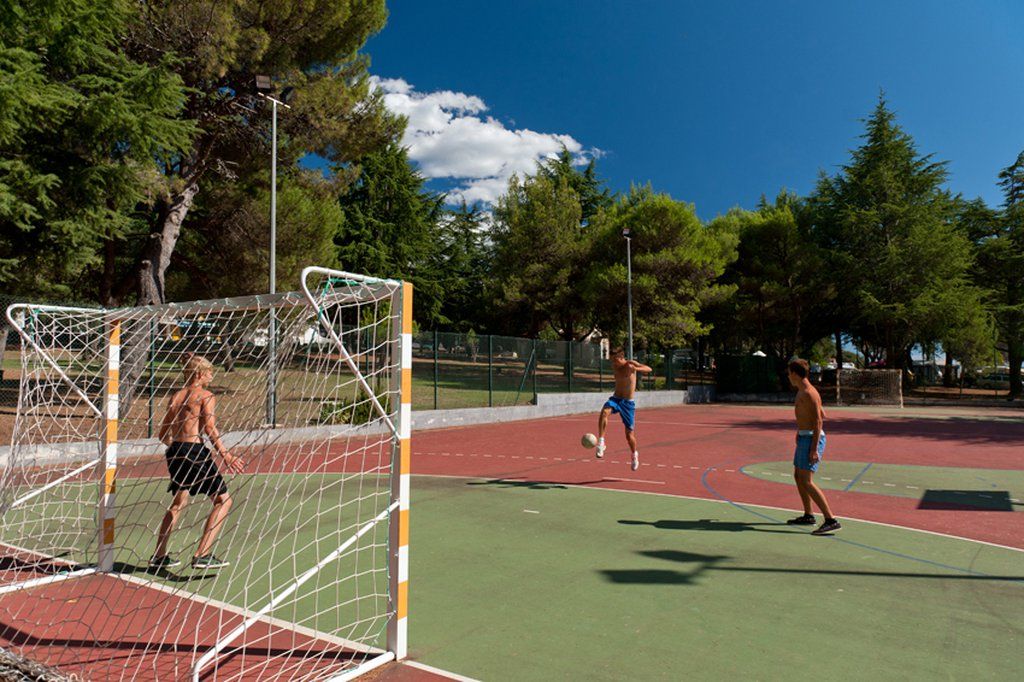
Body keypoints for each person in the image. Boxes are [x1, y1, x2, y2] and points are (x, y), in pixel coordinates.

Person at [149, 355, 244, 570]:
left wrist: (179, 446)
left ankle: (158, 555)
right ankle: (202, 554)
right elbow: (210, 429)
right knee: (223, 501)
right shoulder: (205, 395)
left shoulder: (176, 396)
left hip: (175, 452)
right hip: (194, 451)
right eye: (209, 372)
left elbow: (163, 434)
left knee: (178, 503)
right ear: (200, 374)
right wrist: (226, 456)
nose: (212, 375)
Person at [786, 359, 841, 535]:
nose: (788, 376)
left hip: (811, 440)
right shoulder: (802, 391)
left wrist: (814, 448)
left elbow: (819, 421)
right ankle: (809, 515)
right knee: (797, 476)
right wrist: (800, 429)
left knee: (806, 480)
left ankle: (830, 519)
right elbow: (821, 413)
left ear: (794, 374)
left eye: (789, 373)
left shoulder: (809, 393)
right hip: (804, 436)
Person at [595, 347, 652, 471]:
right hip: (616, 399)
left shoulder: (630, 364)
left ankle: (634, 455)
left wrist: (636, 369)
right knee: (604, 412)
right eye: (611, 360)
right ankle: (601, 442)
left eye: (615, 360)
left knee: (629, 435)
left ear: (621, 358)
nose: (613, 363)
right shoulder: (615, 367)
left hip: (628, 403)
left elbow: (649, 369)